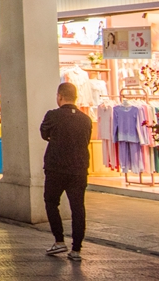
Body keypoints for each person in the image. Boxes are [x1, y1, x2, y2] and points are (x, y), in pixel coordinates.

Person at [41, 81, 92, 261]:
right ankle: (76, 249)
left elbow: (44, 134)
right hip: (79, 168)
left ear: (60, 96)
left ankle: (59, 240)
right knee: (78, 208)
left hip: (56, 167)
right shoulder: (86, 119)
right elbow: (86, 140)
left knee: (51, 202)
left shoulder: (53, 115)